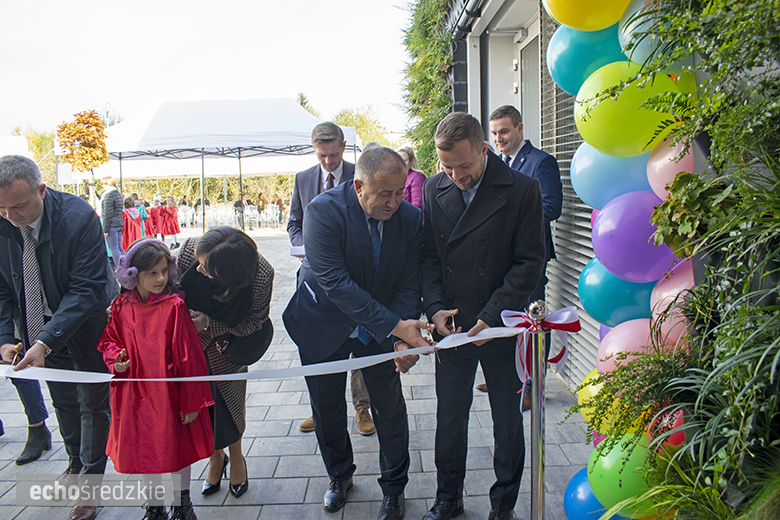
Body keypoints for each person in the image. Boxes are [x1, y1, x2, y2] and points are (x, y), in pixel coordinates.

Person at [282, 146, 431, 520]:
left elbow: (409, 284)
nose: (394, 202)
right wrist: (397, 327)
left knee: (390, 409)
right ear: (360, 185)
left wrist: (402, 338)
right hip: (322, 322)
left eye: (400, 192)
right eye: (385, 194)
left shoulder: (411, 219)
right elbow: (335, 283)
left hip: (379, 329)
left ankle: (394, 489)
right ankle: (339, 477)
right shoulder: (322, 211)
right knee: (327, 408)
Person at [419, 113, 545, 520]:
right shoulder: (432, 188)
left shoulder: (523, 189)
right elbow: (428, 259)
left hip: (500, 322)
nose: (456, 175)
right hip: (453, 325)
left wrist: (493, 317)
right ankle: (448, 497)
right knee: (449, 416)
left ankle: (503, 505)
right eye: (447, 166)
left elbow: (530, 263)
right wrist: (436, 308)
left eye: (465, 166)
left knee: (507, 420)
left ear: (484, 150)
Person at [0, 155, 116, 520]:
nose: (9, 216)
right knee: (62, 398)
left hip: (87, 323)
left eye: (18, 206)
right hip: (38, 327)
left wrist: (46, 340)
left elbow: (85, 290)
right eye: (1, 208)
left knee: (93, 404)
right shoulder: (3, 219)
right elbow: (3, 289)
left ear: (42, 190)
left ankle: (90, 486)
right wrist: (6, 336)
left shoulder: (78, 217)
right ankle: (74, 464)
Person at [98, 239, 214, 520]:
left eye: (164, 271)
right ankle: (154, 506)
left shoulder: (174, 307)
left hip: (168, 394)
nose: (161, 278)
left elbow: (189, 357)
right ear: (132, 274)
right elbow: (108, 340)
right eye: (152, 273)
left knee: (176, 450)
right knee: (144, 451)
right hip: (134, 393)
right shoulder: (121, 306)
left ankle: (181, 504)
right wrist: (116, 359)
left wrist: (190, 402)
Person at [287, 121, 375, 437]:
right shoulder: (303, 179)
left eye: (333, 154)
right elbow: (294, 222)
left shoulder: (361, 173)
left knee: (357, 341)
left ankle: (362, 408)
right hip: (313, 279)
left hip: (352, 275)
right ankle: (322, 409)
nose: (328, 161)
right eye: (322, 155)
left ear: (342, 147)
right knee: (320, 344)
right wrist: (305, 243)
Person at [176, 227, 274, 500]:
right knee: (200, 403)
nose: (198, 270)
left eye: (206, 268)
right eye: (199, 262)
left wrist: (210, 324)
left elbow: (255, 321)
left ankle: (236, 455)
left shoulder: (260, 274)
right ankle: (215, 457)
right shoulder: (189, 252)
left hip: (228, 344)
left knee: (228, 401)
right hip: (189, 344)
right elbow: (163, 289)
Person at [484, 105, 563, 404]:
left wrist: (509, 218)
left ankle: (534, 385)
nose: (498, 138)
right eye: (493, 133)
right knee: (508, 316)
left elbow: (552, 206)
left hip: (532, 255)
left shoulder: (541, 162)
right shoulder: (497, 163)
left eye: (504, 131)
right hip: (501, 256)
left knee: (534, 319)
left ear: (519, 128)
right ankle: (507, 378)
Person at [101, 176, 125, 262]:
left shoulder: (108, 196)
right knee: (119, 247)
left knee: (114, 248)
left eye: (103, 184)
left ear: (108, 184)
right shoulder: (118, 195)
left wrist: (105, 229)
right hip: (119, 223)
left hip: (112, 225)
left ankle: (120, 268)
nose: (102, 186)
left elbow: (107, 213)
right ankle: (126, 264)